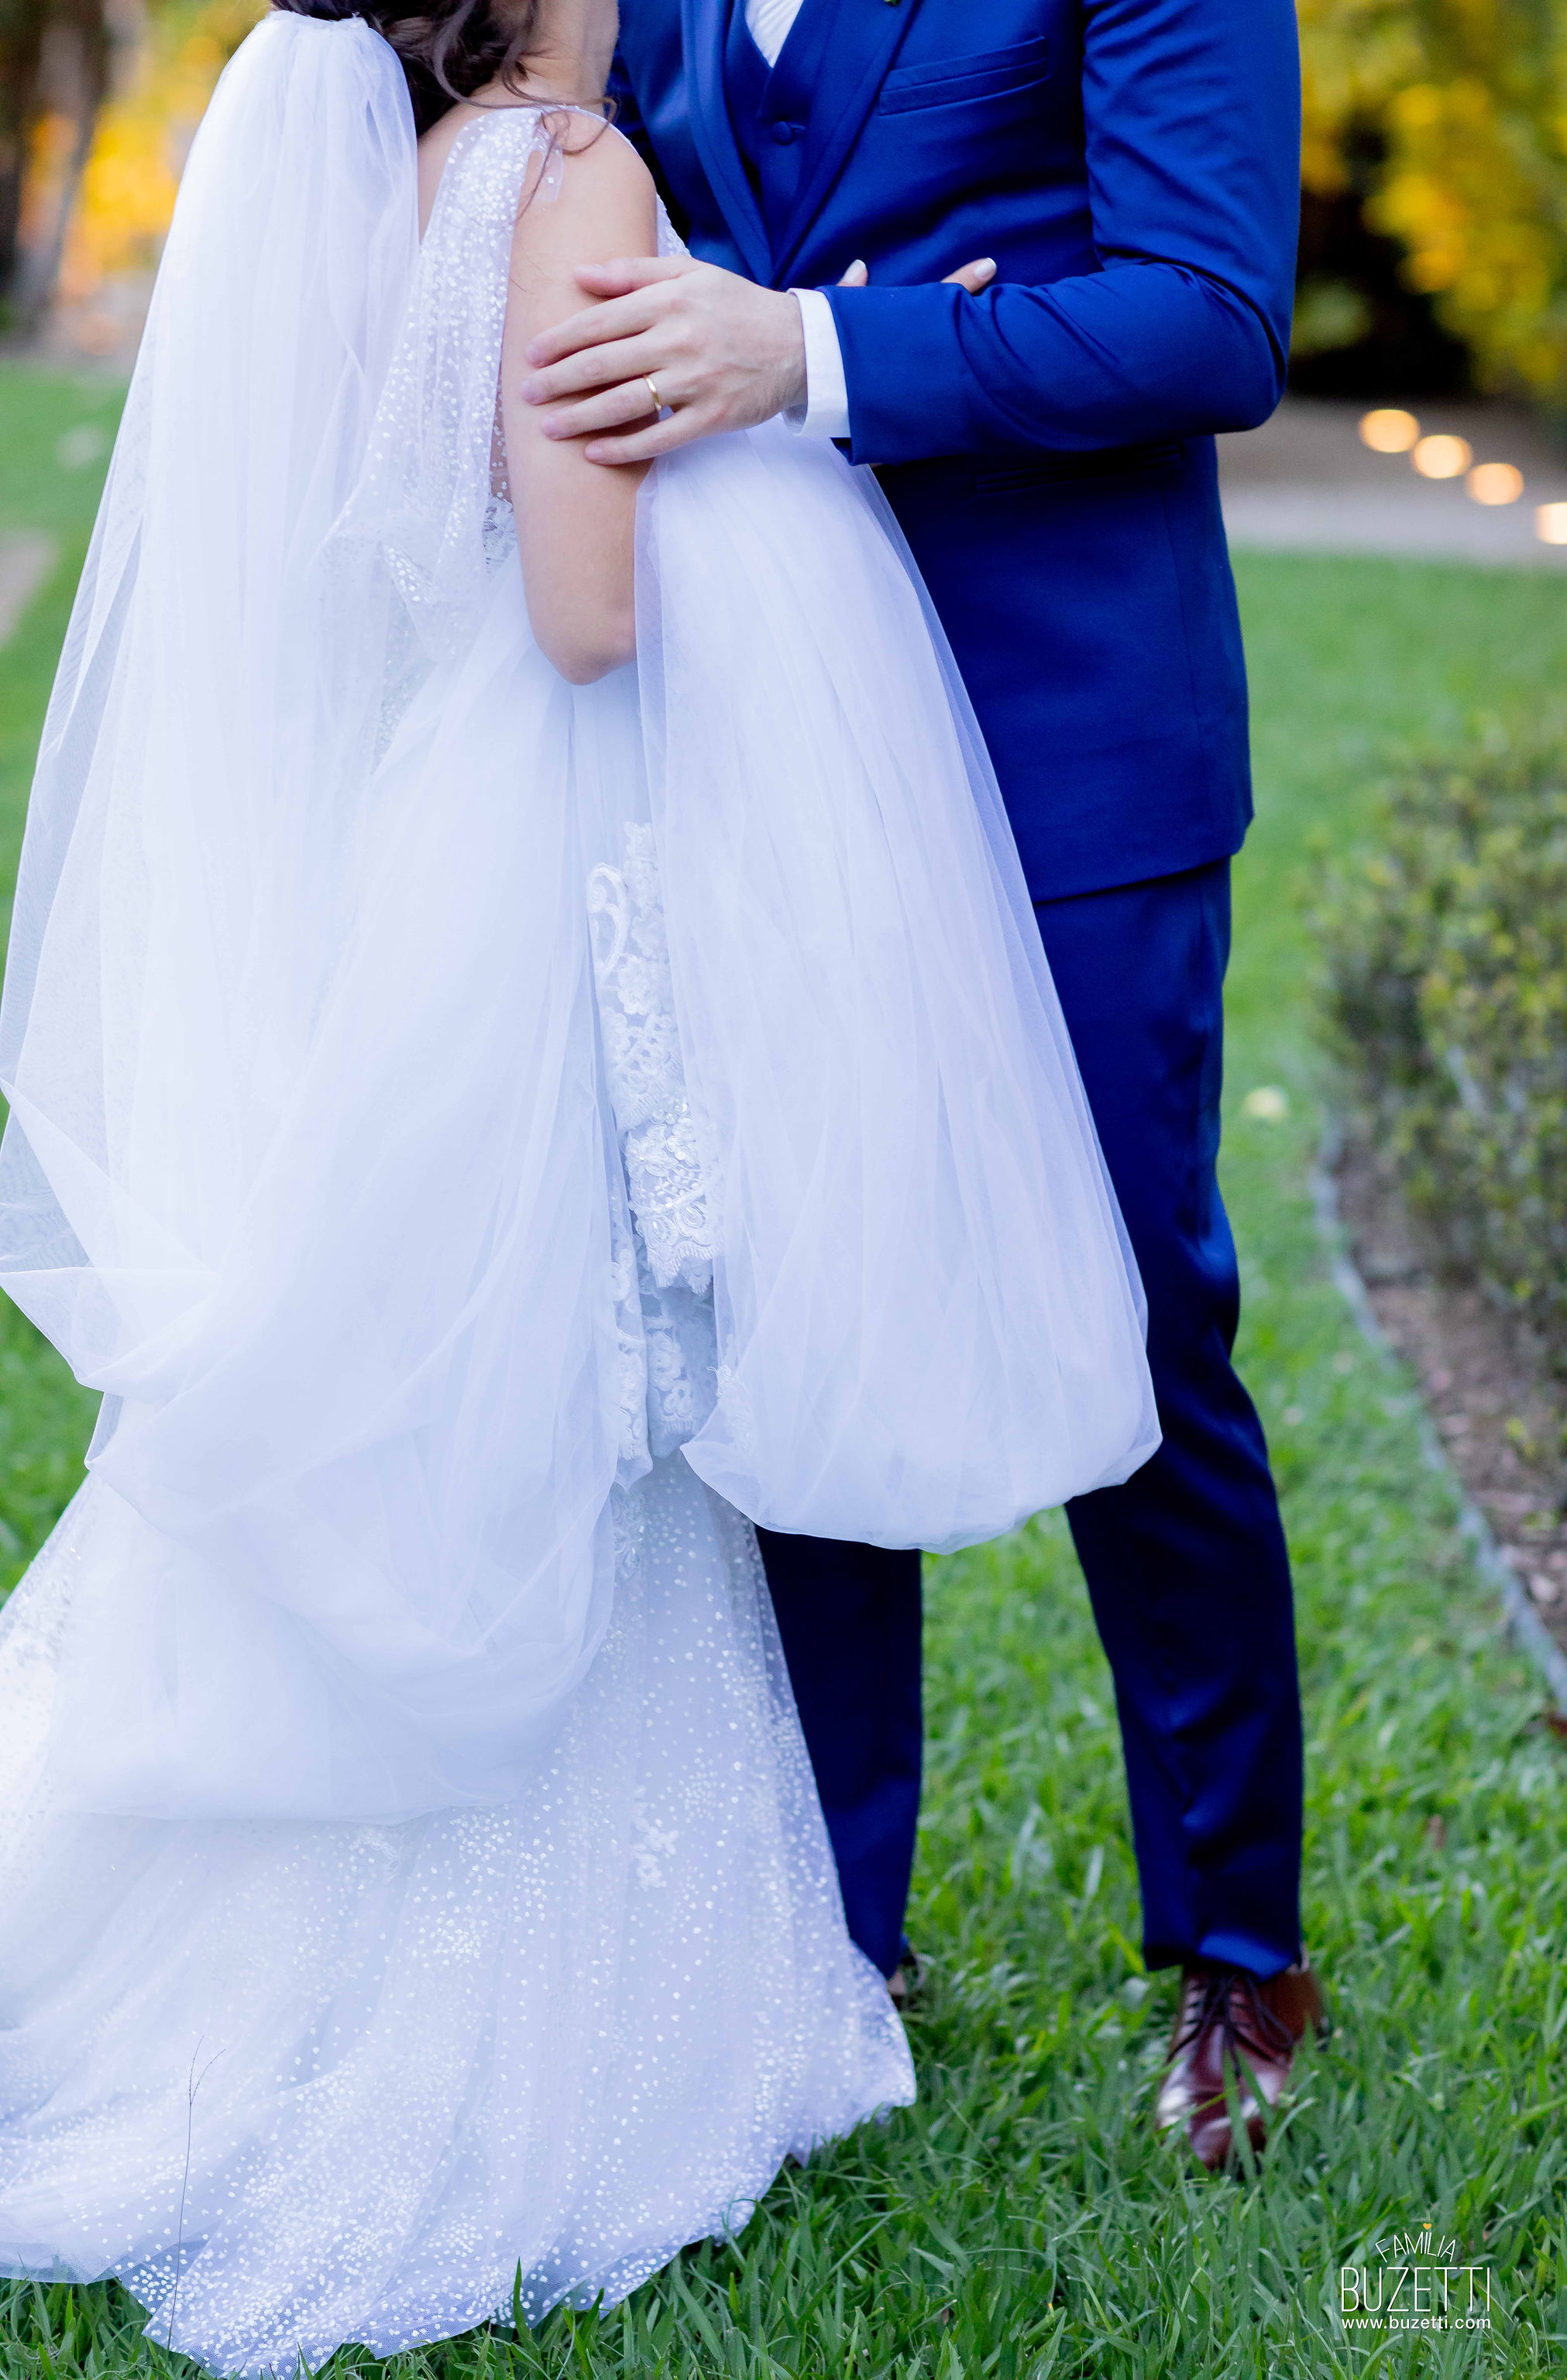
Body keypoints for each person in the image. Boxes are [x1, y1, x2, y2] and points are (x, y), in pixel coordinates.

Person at [0, 0, 1159, 2367]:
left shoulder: (403, 176)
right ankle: (551, 2022)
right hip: (557, 856)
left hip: (432, 857)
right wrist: (767, 468)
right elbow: (588, 608)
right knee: (588, 1424)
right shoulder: (574, 175)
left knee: (469, 1416)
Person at [516, 0, 1329, 2171]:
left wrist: (815, 348)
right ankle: (832, 1935)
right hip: (753, 725)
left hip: (1068, 732)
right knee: (779, 1283)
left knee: (1140, 1317)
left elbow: (1210, 313)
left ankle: (1240, 1946)